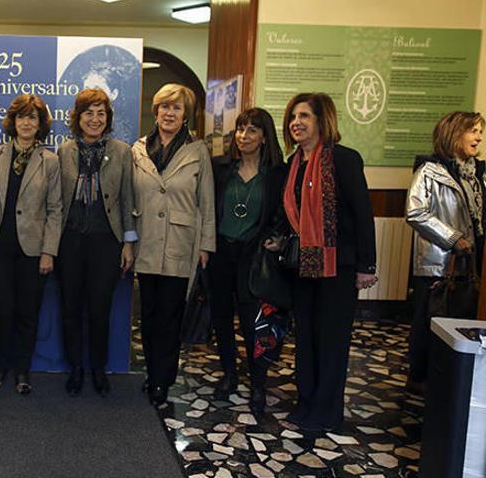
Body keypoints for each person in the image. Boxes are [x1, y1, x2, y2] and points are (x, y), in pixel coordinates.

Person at [274, 92, 377, 435]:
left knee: (331, 339)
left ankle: (327, 410)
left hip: (339, 267)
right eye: (292, 117)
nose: (296, 123)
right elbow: (294, 217)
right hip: (302, 267)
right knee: (305, 337)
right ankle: (306, 401)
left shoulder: (344, 160)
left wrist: (367, 265)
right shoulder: (293, 164)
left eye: (304, 116)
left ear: (322, 121)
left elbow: (363, 214)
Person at [131, 83, 215, 407]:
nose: (169, 113)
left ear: (185, 115)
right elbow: (129, 197)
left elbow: (206, 203)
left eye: (176, 108)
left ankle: (162, 381)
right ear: (156, 110)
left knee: (170, 317)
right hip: (147, 242)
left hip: (182, 244)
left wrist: (206, 245)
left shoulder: (197, 151)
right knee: (148, 316)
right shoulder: (137, 149)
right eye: (165, 106)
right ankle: (152, 373)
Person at [0, 94, 62, 395]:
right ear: (13, 122)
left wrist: (49, 251)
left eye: (33, 118)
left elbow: (55, 210)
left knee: (28, 312)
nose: (27, 122)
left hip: (33, 251)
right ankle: (0, 367)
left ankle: (23, 371)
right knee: (1, 311)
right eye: (22, 117)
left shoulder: (50, 160)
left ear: (40, 125)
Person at [56, 88, 135, 397]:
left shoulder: (121, 151)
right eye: (89, 112)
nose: (95, 119)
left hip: (107, 241)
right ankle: (75, 367)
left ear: (108, 118)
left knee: (100, 309)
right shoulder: (64, 150)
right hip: (70, 241)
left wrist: (128, 243)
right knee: (70, 308)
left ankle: (98, 369)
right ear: (78, 117)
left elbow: (128, 196)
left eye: (101, 113)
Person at [210, 108, 285, 414]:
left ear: (265, 136)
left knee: (254, 323)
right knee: (222, 318)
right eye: (241, 129)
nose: (244, 136)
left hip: (254, 257)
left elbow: (283, 214)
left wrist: (276, 235)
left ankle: (257, 381)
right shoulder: (221, 168)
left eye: (252, 130)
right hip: (220, 253)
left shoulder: (277, 174)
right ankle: (229, 373)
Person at [405, 111, 484, 394]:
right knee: (429, 319)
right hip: (438, 262)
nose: (478, 137)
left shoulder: (477, 174)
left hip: (470, 263)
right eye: (472, 131)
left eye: (480, 132)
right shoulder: (430, 171)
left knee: (461, 316)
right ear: (453, 134)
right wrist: (453, 238)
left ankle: (452, 372)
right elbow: (415, 212)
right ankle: (420, 375)